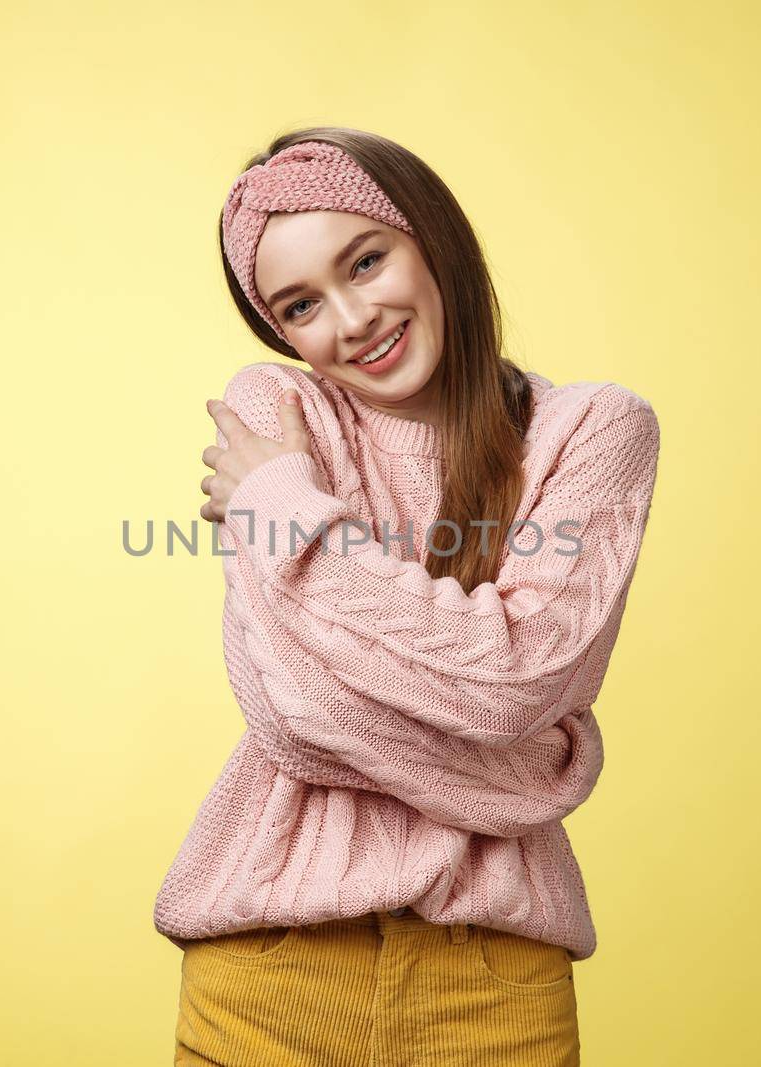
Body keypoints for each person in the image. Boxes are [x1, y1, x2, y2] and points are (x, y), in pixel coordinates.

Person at [153, 126, 662, 1066]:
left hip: (496, 988)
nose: (349, 320)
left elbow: (519, 681)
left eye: (367, 260)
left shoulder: (589, 432)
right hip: (268, 971)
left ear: (432, 237)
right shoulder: (279, 413)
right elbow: (294, 712)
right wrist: (521, 771)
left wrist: (291, 514)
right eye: (302, 304)